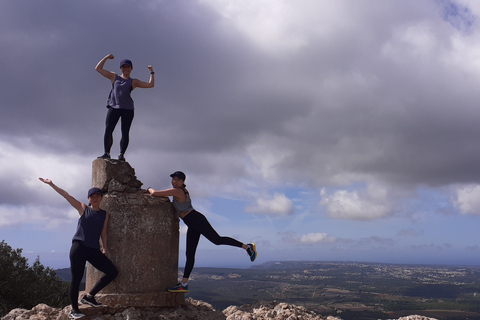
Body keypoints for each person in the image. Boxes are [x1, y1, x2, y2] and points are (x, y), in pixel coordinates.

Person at [147, 171, 257, 293]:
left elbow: (156, 193)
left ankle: (248, 247)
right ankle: (184, 284)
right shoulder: (180, 191)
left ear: (183, 182)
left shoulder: (178, 191)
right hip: (192, 223)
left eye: (177, 179)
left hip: (196, 220)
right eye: (173, 179)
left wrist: (148, 189)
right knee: (190, 254)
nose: (174, 181)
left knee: (217, 240)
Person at [39, 178, 118, 319]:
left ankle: (89, 297)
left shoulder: (105, 214)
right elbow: (66, 195)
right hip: (79, 248)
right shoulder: (82, 208)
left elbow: (103, 233)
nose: (95, 198)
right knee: (76, 279)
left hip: (93, 250)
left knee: (112, 272)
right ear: (89, 198)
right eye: (93, 196)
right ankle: (74, 310)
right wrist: (51, 184)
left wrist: (104, 248)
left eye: (98, 196)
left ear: (101, 198)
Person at [95, 53, 155, 161]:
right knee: (108, 129)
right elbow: (98, 68)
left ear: (131, 69)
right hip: (114, 107)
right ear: (121, 68)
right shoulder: (114, 77)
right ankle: (106, 153)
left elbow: (150, 85)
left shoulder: (133, 82)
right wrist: (106, 58)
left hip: (127, 109)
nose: (126, 69)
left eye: (128, 67)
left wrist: (151, 72)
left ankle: (121, 155)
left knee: (125, 131)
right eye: (124, 67)